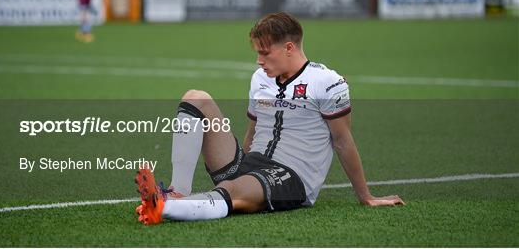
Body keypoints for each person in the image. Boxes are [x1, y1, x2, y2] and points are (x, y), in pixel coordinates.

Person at [135, 12, 405, 225]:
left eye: (265, 53)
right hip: (253, 163)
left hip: (291, 177)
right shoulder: (260, 79)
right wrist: (237, 163)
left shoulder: (327, 82)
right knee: (196, 97)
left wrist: (365, 196)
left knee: (234, 189)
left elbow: (343, 141)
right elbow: (253, 130)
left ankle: (164, 208)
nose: (258, 60)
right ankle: (177, 191)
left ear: (289, 47)